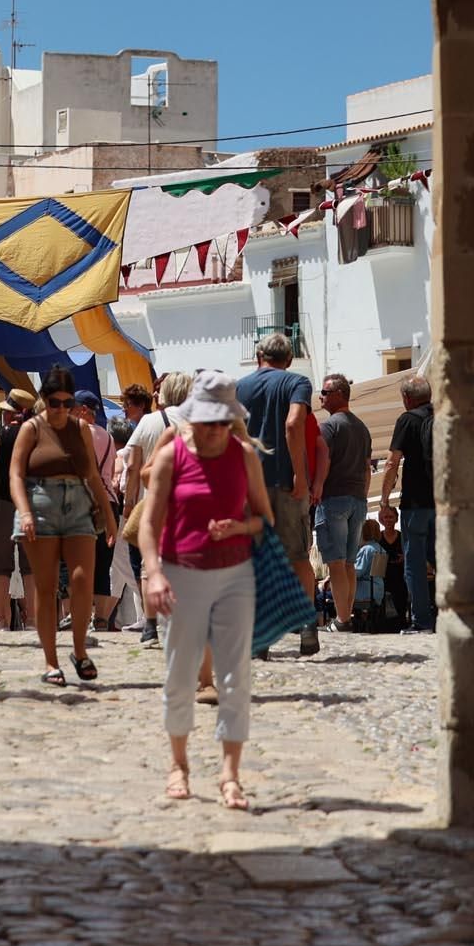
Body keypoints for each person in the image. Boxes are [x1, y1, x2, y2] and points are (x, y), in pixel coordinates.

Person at [137, 370, 273, 812]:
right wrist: (154, 573)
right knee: (181, 670)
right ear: (191, 419)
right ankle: (178, 764)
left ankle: (230, 773)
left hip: (236, 575)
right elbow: (148, 525)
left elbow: (263, 519)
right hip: (183, 572)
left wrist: (239, 526)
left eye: (221, 422)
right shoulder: (172, 456)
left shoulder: (245, 455)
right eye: (206, 422)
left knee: (235, 674)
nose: (214, 430)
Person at [9, 366, 117, 686]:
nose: (61, 409)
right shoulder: (31, 428)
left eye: (68, 403)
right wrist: (25, 512)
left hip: (79, 505)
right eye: (55, 403)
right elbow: (15, 474)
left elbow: (92, 476)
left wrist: (110, 517)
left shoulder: (81, 429)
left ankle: (80, 650)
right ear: (44, 400)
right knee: (46, 586)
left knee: (83, 580)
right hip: (40, 503)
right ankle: (50, 660)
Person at [235, 331, 318, 658]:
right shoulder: (297, 382)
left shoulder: (240, 387)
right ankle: (308, 626)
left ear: (259, 356)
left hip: (249, 484)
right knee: (297, 554)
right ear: (289, 359)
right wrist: (300, 472)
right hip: (286, 481)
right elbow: (294, 423)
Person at [121, 372, 191, 650]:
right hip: (190, 501)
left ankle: (150, 624)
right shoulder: (197, 422)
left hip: (153, 500)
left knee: (149, 562)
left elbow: (134, 467)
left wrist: (128, 504)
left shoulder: (149, 422)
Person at [314, 373, 373, 633]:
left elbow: (323, 462)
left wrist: (316, 489)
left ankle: (342, 619)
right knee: (348, 563)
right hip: (358, 499)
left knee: (336, 563)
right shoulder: (362, 428)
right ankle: (344, 618)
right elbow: (367, 468)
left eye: (325, 393)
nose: (321, 397)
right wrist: (363, 495)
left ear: (339, 394)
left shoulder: (329, 427)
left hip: (334, 498)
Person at [379, 372, 436, 633]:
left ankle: (421, 621)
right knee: (443, 559)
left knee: (413, 563)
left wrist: (383, 498)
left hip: (415, 502)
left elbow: (392, 462)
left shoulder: (407, 420)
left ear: (407, 398)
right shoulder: (441, 416)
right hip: (442, 501)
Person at [0, 390, 34, 633]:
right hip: (30, 502)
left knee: (0, 563)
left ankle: (0, 617)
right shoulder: (35, 435)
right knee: (30, 564)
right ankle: (33, 619)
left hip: (2, 500)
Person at [74, 389, 122, 631]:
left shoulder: (78, 433)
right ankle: (101, 617)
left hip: (86, 500)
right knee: (104, 563)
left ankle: (81, 615)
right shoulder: (109, 437)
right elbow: (111, 472)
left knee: (81, 559)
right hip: (110, 502)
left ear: (83, 410)